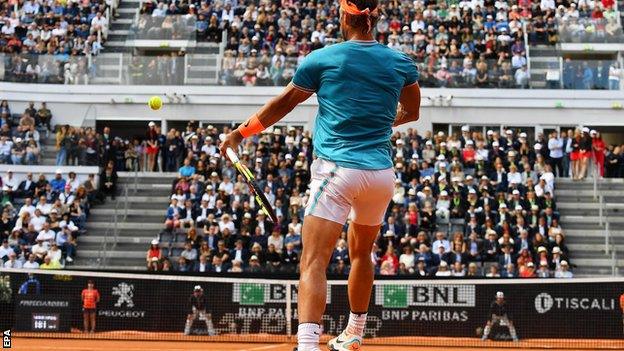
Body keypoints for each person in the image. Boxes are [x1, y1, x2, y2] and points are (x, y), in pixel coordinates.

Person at [220, 0, 421, 349]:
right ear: (374, 19)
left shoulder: (322, 58)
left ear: (344, 16)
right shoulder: (400, 62)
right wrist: (382, 123)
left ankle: (309, 344)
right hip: (381, 175)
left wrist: (240, 134)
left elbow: (283, 104)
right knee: (362, 254)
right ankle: (354, 332)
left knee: (313, 261)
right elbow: (412, 111)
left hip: (338, 170)